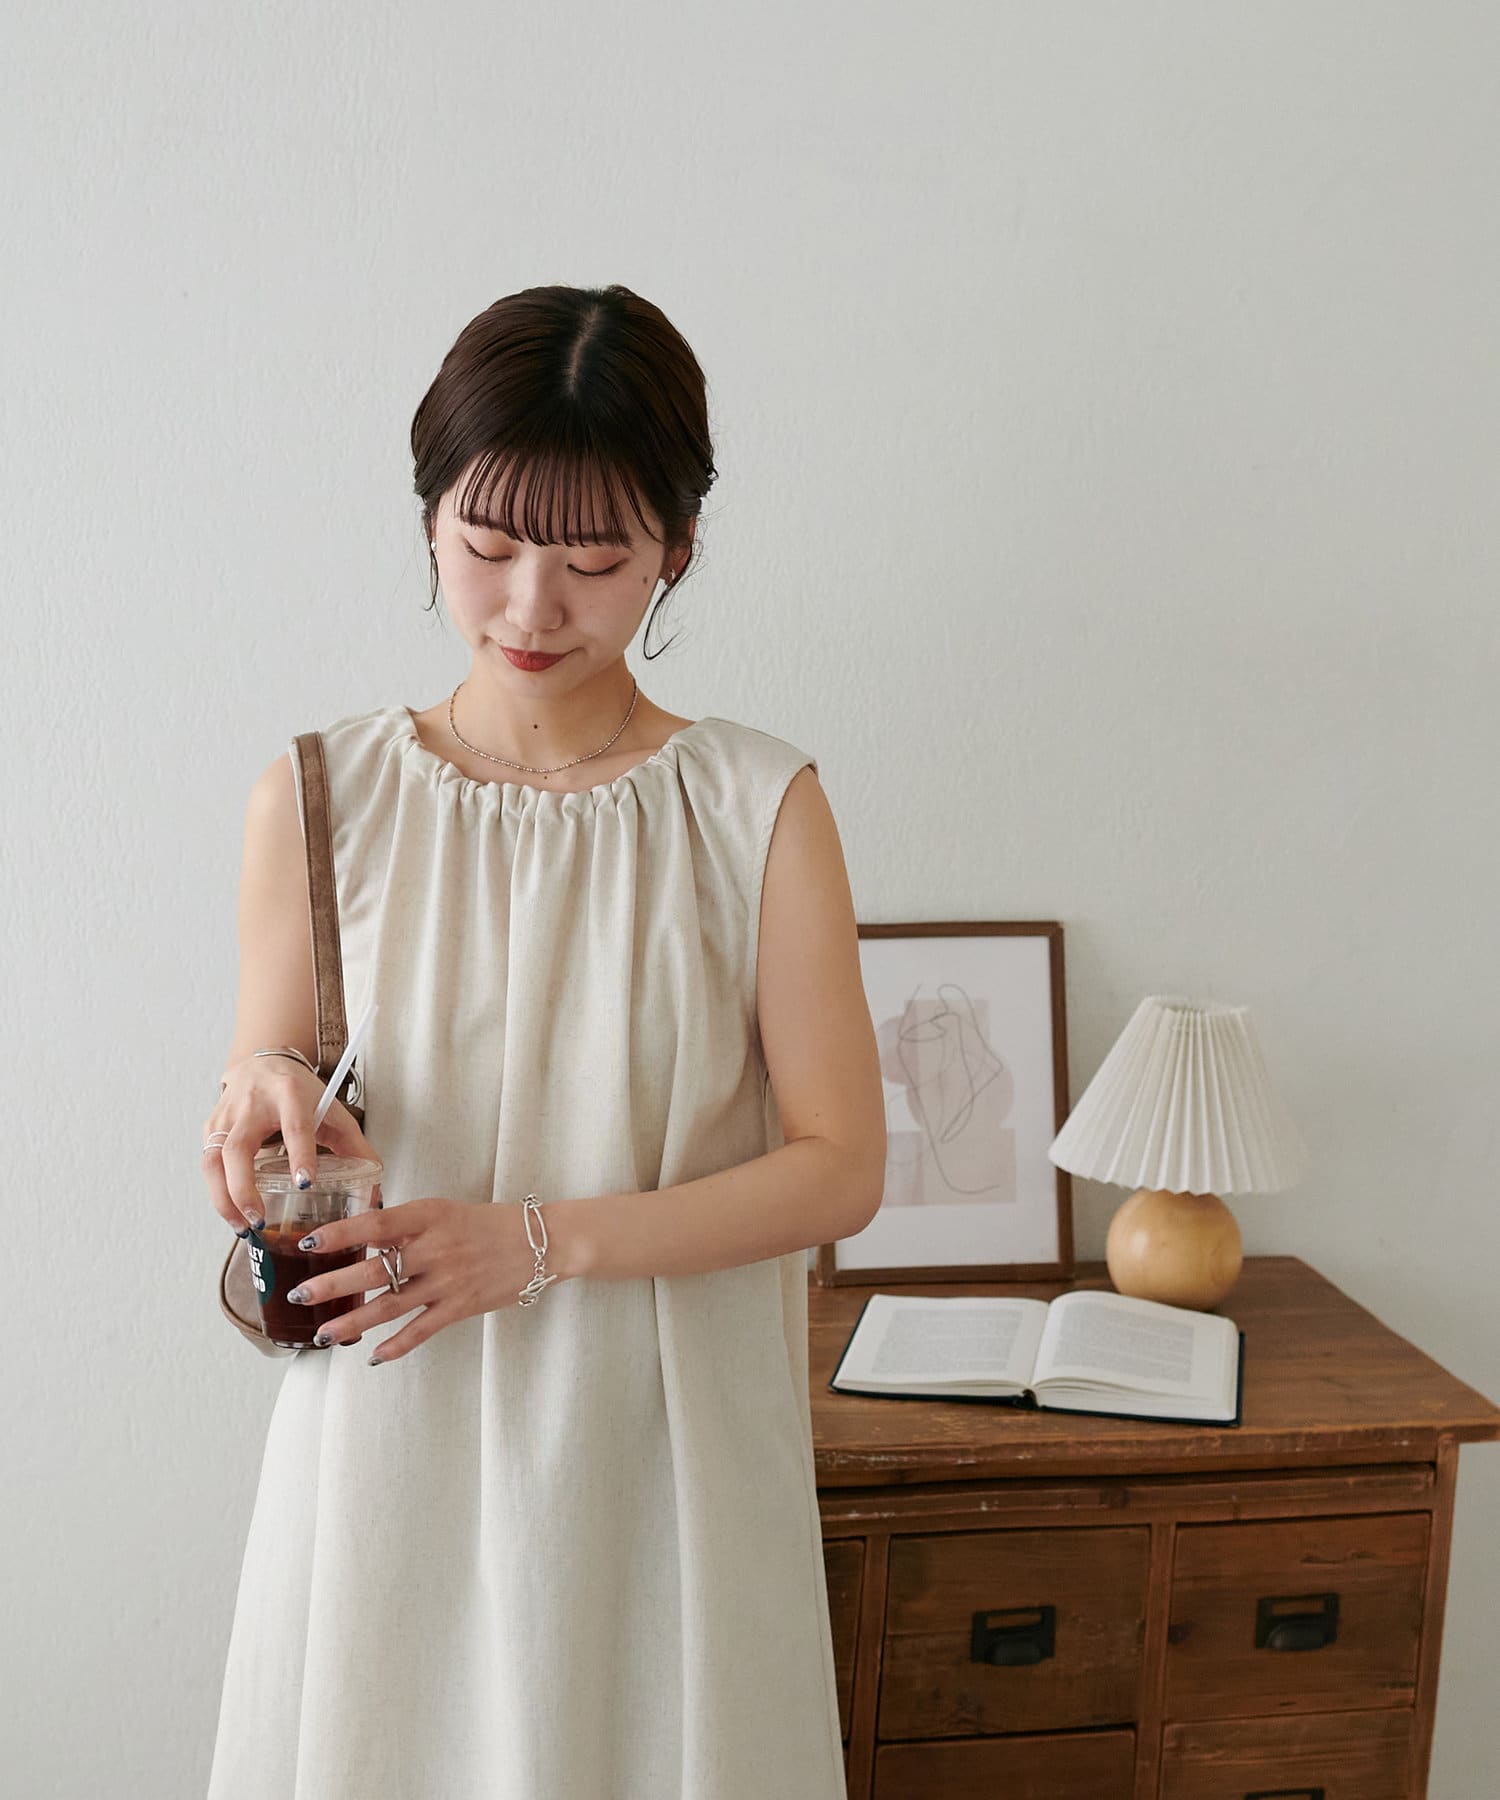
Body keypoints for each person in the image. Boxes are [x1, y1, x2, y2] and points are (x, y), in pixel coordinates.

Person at [201, 283, 886, 1799]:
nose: (529, 611)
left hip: (660, 1450)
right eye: (488, 547)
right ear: (429, 517)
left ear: (676, 549)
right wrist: (264, 1096)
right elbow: (282, 1077)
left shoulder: (756, 808)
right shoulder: (318, 796)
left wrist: (534, 1241)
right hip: (394, 1436)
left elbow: (842, 1167)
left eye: (593, 563)